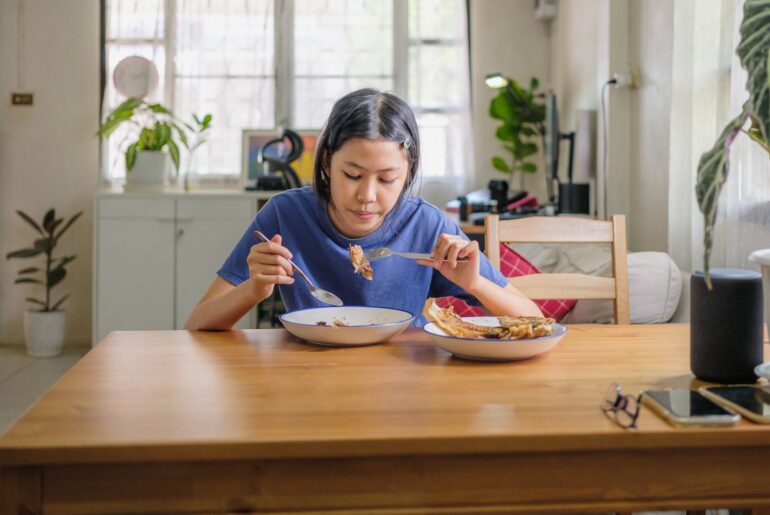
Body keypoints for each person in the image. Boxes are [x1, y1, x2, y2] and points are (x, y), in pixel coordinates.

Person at [184, 88, 542, 330]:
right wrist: (254, 290)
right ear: (326, 162)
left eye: (387, 179)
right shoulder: (286, 215)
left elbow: (535, 320)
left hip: (405, 386)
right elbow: (196, 324)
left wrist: (476, 283)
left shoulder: (426, 225)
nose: (367, 196)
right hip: (309, 378)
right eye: (352, 175)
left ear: (408, 173)